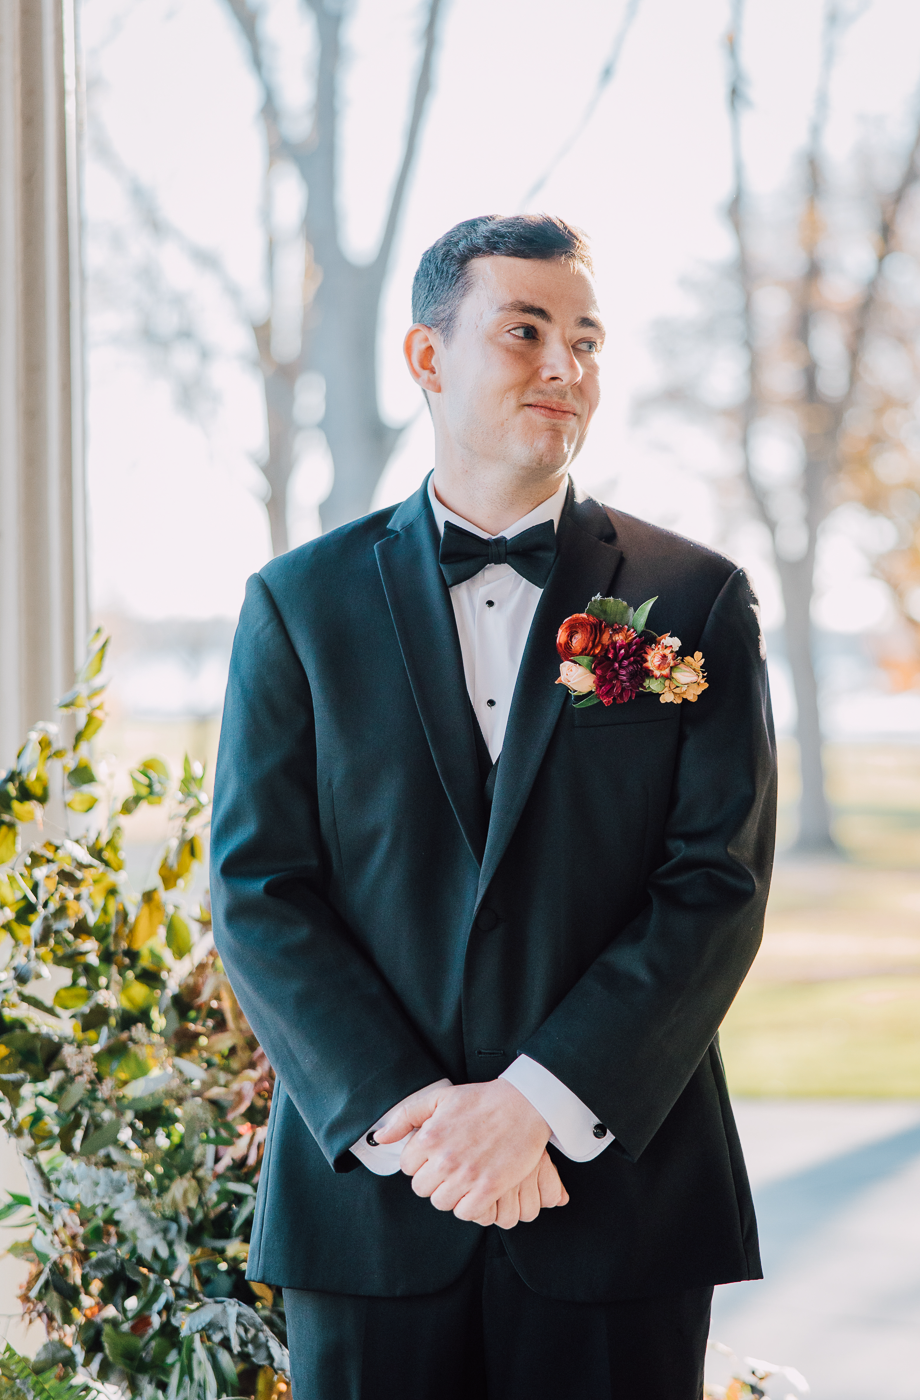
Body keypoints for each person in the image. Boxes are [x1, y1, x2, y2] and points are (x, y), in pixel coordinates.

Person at [210, 213, 777, 1400]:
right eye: (526, 331)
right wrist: (423, 1121)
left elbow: (714, 885)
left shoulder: (692, 599)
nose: (566, 368)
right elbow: (262, 891)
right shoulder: (297, 605)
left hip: (618, 1204)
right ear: (427, 357)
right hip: (373, 1211)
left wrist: (535, 1103)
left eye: (586, 338)